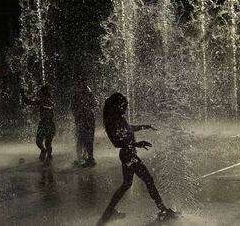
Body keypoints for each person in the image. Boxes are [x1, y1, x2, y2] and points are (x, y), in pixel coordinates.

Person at [97, 93, 176, 224]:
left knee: (126, 184)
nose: (125, 109)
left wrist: (145, 126)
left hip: (128, 154)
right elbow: (116, 142)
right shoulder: (113, 121)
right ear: (117, 106)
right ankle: (163, 210)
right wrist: (136, 144)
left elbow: (129, 129)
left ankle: (110, 211)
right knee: (148, 180)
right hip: (128, 155)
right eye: (123, 106)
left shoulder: (118, 118)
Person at [21, 84, 55, 166]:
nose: (40, 95)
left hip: (48, 124)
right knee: (40, 142)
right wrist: (22, 94)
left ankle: (48, 158)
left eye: (42, 93)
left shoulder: (49, 101)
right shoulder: (42, 101)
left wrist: (45, 106)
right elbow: (28, 102)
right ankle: (45, 153)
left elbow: (50, 106)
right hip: (45, 124)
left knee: (46, 143)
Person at [71, 78, 98, 168]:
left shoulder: (87, 92)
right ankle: (81, 158)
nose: (78, 84)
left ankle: (90, 159)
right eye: (77, 82)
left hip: (87, 118)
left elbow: (95, 103)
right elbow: (73, 107)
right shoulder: (76, 93)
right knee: (80, 139)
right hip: (80, 118)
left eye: (80, 82)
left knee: (88, 139)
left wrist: (85, 107)